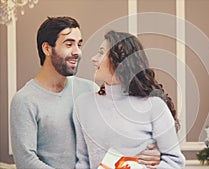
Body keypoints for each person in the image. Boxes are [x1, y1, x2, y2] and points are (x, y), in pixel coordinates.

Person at [10, 16, 161, 169]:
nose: (77, 52)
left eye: (79, 44)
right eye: (69, 44)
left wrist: (150, 151)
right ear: (47, 49)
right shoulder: (24, 100)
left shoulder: (90, 90)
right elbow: (26, 161)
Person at [73, 30, 185, 169]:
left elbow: (175, 162)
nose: (93, 58)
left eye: (101, 53)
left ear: (119, 61)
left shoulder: (154, 106)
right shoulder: (83, 105)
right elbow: (83, 162)